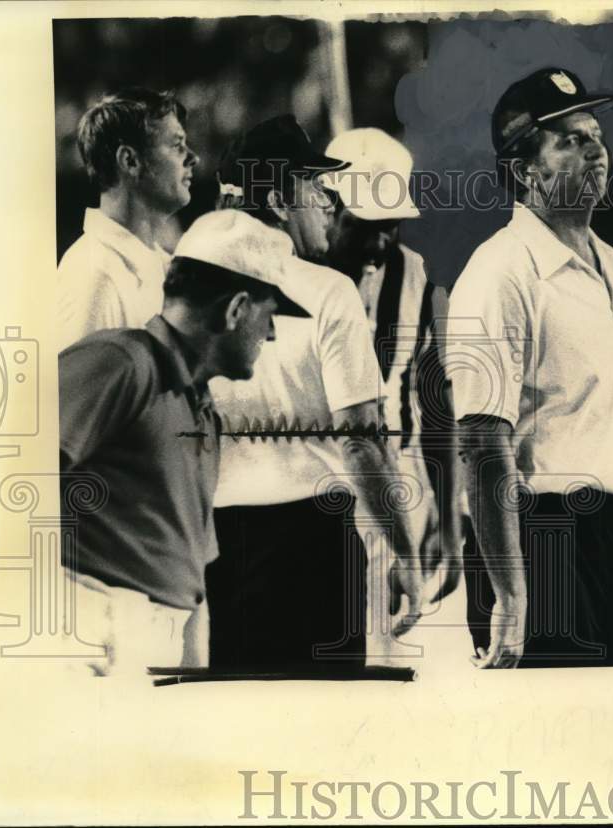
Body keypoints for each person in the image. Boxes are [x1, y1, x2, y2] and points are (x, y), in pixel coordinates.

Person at [449, 67, 613, 669]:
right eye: (567, 139)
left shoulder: (611, 270)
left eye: (593, 133)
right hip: (537, 541)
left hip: (601, 539)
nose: (594, 147)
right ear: (526, 171)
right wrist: (512, 594)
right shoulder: (500, 273)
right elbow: (483, 442)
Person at [205, 115, 423, 674]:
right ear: (279, 199)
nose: (324, 202)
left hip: (218, 539)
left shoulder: (184, 281)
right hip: (315, 537)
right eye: (312, 187)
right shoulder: (329, 290)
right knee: (328, 725)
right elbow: (360, 443)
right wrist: (404, 547)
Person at [59, 208, 307, 676]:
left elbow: (194, 578)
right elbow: (11, 482)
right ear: (236, 309)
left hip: (157, 648)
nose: (271, 333)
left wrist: (194, 682)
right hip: (94, 634)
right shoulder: (120, 361)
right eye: (270, 314)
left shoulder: (203, 413)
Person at [323, 128, 464, 663]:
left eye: (392, 227)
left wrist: (450, 531)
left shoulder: (417, 278)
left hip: (400, 479)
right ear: (330, 207)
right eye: (367, 226)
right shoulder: (292, 276)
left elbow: (437, 409)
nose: (381, 244)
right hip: (319, 480)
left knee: (400, 656)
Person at [57, 87, 199, 351]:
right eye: (177, 145)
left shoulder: (162, 266)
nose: (193, 157)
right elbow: (81, 392)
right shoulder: (93, 278)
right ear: (130, 161)